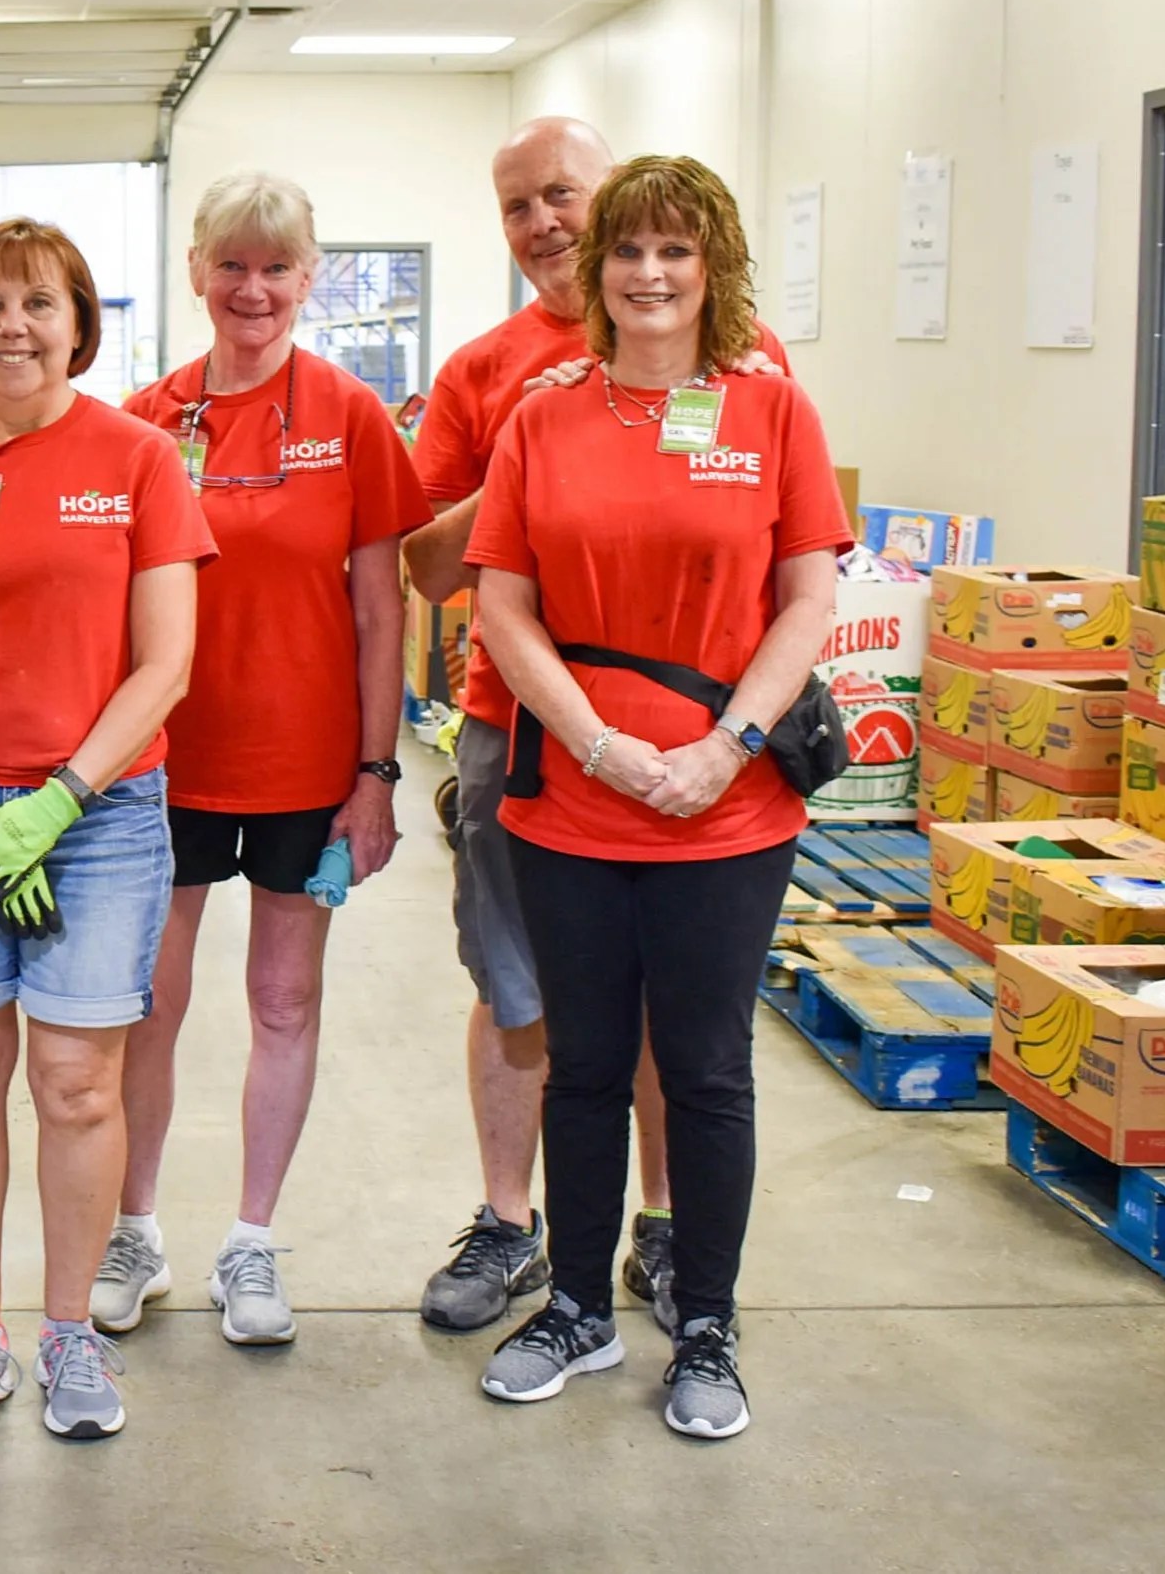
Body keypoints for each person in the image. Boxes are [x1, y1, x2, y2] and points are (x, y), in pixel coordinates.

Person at [464, 154, 846, 1439]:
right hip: (568, 800)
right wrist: (592, 741)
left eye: (675, 252)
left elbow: (806, 600)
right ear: (598, 272)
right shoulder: (544, 415)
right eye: (626, 251)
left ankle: (709, 1330)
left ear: (712, 267)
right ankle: (573, 1305)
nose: (646, 274)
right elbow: (502, 601)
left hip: (726, 812)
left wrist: (723, 748)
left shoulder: (772, 411)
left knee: (704, 1070)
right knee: (579, 1065)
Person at [402, 117, 792, 1335]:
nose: (544, 228)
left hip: (696, 737)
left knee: (675, 1012)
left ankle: (664, 1231)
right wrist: (539, 446)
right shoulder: (488, 376)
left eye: (562, 196)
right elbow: (425, 570)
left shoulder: (751, 363)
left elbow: (793, 557)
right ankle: (511, 1227)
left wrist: (724, 741)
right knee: (523, 992)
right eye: (516, 207)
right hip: (519, 733)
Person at [0, 217, 214, 1448]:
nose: (13, 326)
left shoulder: (137, 460)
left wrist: (59, 800)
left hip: (101, 818)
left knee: (74, 1082)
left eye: (39, 303)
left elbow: (165, 662)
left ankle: (68, 1331)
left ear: (78, 322)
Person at [104, 173, 431, 1346]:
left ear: (310, 276)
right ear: (195, 269)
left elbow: (382, 611)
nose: (253, 288)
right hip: (166, 762)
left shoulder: (348, 415)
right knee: (147, 1002)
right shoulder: (144, 417)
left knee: (283, 999)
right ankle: (130, 1226)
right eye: (231, 264)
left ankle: (250, 1240)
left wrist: (377, 774)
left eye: (276, 267)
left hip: (309, 768)